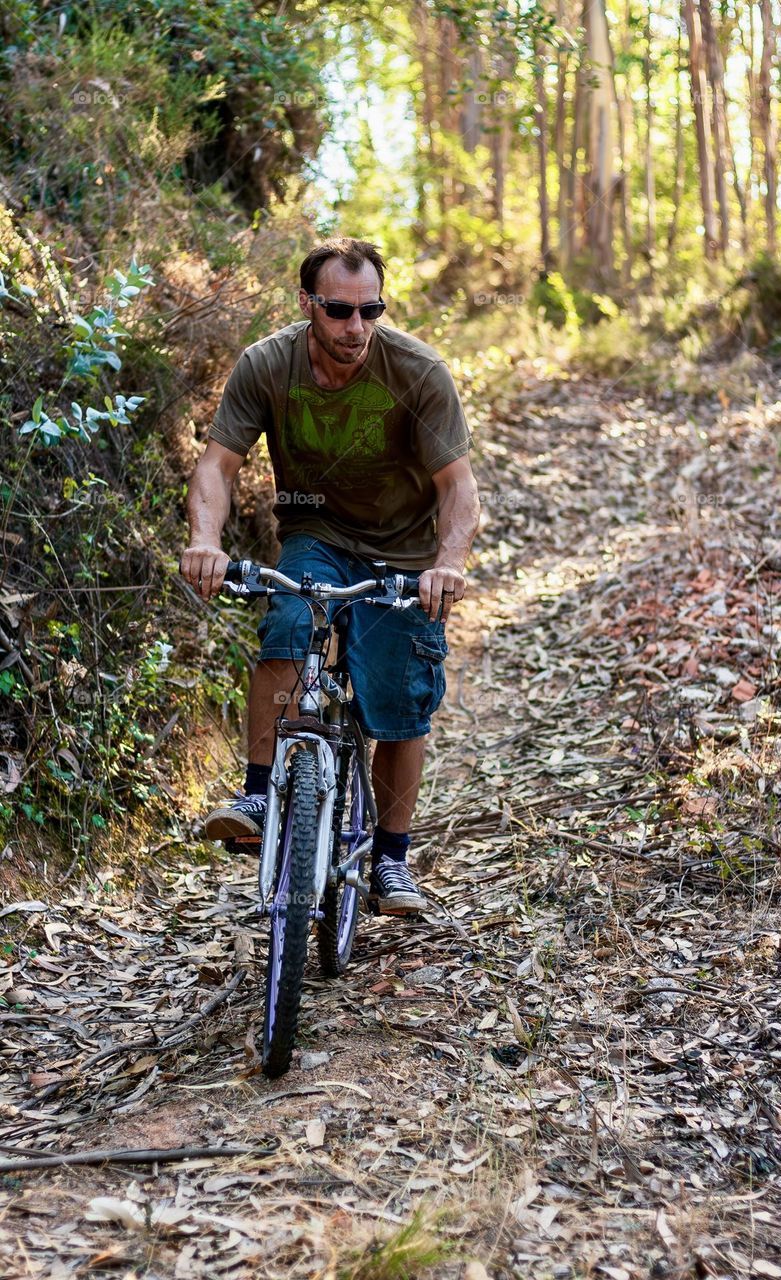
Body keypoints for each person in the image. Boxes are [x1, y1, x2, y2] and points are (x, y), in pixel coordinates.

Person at [180, 237, 479, 914]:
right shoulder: (267, 364)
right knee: (286, 627)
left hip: (404, 555)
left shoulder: (416, 372)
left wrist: (448, 563)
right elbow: (216, 465)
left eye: (370, 311)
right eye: (340, 312)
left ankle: (391, 862)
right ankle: (259, 792)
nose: (356, 328)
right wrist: (205, 541)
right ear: (306, 303)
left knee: (400, 709)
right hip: (316, 533)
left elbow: (458, 487)